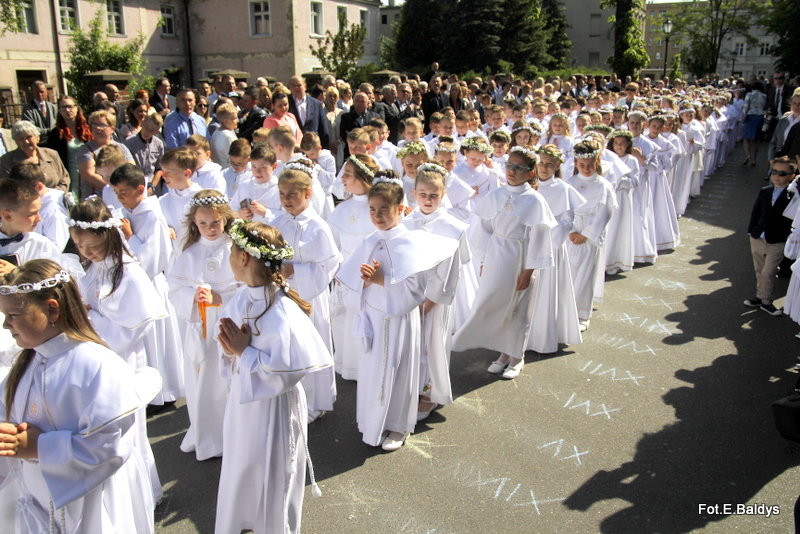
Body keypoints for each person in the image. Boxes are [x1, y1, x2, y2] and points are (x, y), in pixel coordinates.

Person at [0, 258, 160, 533]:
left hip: (91, 505)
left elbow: (109, 447)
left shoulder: (95, 364)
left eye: (13, 315)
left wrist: (40, 446)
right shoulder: (25, 364)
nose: (5, 325)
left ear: (52, 310)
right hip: (38, 499)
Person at [214, 220, 332, 533]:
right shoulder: (242, 297)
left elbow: (288, 372)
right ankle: (248, 522)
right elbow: (231, 352)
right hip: (244, 402)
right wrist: (229, 350)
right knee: (244, 464)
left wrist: (244, 352)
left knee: (273, 471)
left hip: (274, 410)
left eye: (231, 252)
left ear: (243, 258)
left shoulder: (282, 312)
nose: (229, 259)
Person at [336, 172, 458, 450]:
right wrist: (362, 281)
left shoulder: (409, 242)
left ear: (401, 209)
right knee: (372, 372)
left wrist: (379, 280)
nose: (378, 216)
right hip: (373, 318)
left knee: (398, 371)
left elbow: (416, 288)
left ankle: (398, 426)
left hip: (398, 320)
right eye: (373, 210)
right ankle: (372, 423)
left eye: (384, 210)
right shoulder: (370, 240)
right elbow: (353, 281)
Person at [68, 197, 165, 502]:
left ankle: (143, 494)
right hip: (98, 357)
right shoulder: (95, 267)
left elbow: (136, 325)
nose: (86, 253)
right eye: (80, 247)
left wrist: (90, 318)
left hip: (122, 360)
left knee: (129, 432)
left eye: (92, 248)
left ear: (108, 236)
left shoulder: (129, 273)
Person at [452, 145, 556, 378]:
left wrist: (528, 271)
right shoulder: (496, 194)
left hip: (520, 258)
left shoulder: (534, 200)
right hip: (497, 256)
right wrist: (485, 259)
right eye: (510, 165)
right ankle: (502, 352)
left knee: (518, 307)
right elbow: (484, 229)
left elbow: (539, 238)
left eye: (519, 168)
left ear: (530, 173)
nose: (512, 171)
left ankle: (516, 356)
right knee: (494, 303)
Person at [167, 190, 238, 460]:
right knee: (203, 380)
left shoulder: (235, 248)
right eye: (203, 224)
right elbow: (174, 288)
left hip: (229, 324)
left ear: (225, 220)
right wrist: (193, 299)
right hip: (201, 328)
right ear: (194, 224)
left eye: (215, 223)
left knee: (227, 380)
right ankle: (207, 433)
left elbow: (246, 287)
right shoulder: (189, 253)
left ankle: (231, 433)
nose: (210, 229)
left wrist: (220, 297)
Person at [271, 162, 342, 422]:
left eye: (292, 194)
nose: (286, 200)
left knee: (311, 345)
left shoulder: (318, 227)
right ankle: (291, 395)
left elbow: (330, 263)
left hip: (309, 296)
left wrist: (296, 271)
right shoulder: (276, 222)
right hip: (284, 295)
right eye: (282, 194)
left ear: (307, 194)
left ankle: (315, 400)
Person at [111, 164, 184, 410]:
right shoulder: (127, 210)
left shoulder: (151, 214)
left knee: (155, 340)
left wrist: (131, 235)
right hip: (132, 286)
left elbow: (153, 259)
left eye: (122, 192)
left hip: (150, 284)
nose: (119, 198)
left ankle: (163, 391)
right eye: (116, 192)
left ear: (140, 189)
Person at [404, 162, 473, 415]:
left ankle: (429, 392)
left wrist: (431, 299)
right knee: (412, 343)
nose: (428, 200)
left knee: (431, 344)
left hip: (435, 297)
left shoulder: (452, 226)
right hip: (410, 295)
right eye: (423, 194)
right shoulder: (407, 221)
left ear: (443, 195)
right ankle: (410, 386)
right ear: (414, 193)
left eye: (434, 195)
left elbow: (454, 266)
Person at [526, 144, 583, 354]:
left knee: (546, 288)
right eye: (541, 163)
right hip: (529, 243)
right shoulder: (529, 185)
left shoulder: (563, 188)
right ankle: (523, 335)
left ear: (558, 165)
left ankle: (542, 337)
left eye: (550, 164)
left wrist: (552, 236)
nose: (544, 167)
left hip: (551, 245)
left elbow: (569, 219)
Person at [327, 155, 378, 380]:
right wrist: (339, 270)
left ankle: (372, 366)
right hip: (347, 275)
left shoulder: (378, 207)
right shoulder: (341, 210)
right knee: (345, 321)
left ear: (362, 177)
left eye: (347, 174)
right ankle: (350, 365)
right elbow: (334, 244)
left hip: (372, 275)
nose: (342, 179)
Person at [564, 140, 617, 331]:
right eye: (582, 165)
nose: (586, 169)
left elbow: (605, 212)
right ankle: (565, 311)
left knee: (585, 275)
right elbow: (563, 209)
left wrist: (586, 234)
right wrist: (570, 231)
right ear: (576, 163)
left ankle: (582, 315)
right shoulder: (569, 183)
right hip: (571, 233)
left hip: (588, 236)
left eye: (590, 165)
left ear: (597, 162)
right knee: (568, 274)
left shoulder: (603, 185)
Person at [744, 156, 794, 315]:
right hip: (758, 236)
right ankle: (760, 297)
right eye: (774, 172)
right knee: (759, 269)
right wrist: (751, 231)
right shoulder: (765, 191)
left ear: (792, 176)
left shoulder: (793, 196)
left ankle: (766, 301)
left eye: (782, 173)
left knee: (769, 271)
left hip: (778, 240)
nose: (777, 176)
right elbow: (756, 212)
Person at [6, 163, 70, 252]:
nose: (19, 196)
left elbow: (56, 248)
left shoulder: (54, 209)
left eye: (25, 193)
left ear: (39, 186)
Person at [76, 110, 135, 198]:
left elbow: (131, 169)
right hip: (97, 201)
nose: (97, 128)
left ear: (112, 128)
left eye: (102, 125)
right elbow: (89, 175)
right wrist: (114, 190)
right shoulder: (85, 150)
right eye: (94, 124)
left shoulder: (122, 147)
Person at [0, 120, 70, 192]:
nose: (26, 141)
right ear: (16, 141)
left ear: (37, 138)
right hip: (24, 202)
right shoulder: (7, 160)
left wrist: (51, 195)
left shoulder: (52, 154)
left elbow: (64, 179)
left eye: (29, 137)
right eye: (21, 139)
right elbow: (6, 189)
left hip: (54, 200)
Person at [44, 96, 93, 198]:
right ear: (59, 111)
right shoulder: (56, 134)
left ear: (77, 108)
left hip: (88, 173)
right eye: (63, 107)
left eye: (70, 106)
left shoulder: (88, 129)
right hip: (68, 174)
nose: (67, 110)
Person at [159, 147, 203, 254]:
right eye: (163, 171)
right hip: (174, 260)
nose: (163, 176)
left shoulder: (201, 198)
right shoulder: (162, 201)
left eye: (168, 172)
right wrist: (164, 229)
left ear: (186, 173)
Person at [228, 143, 279, 223]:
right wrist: (239, 214)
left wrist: (265, 212)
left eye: (263, 167)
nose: (257, 171)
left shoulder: (280, 189)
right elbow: (231, 209)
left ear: (274, 166)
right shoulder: (245, 185)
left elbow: (289, 216)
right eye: (254, 166)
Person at [124, 113, 165, 195]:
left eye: (152, 130)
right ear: (142, 123)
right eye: (146, 128)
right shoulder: (129, 142)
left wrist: (152, 186)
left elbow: (159, 168)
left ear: (157, 131)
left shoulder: (158, 144)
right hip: (135, 186)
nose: (147, 132)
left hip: (153, 187)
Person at [288, 75, 330, 149]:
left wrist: (326, 149)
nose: (296, 88)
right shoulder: (286, 104)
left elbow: (323, 129)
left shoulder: (316, 104)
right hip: (294, 148)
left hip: (313, 147)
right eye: (293, 85)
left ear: (305, 86)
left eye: (299, 85)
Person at [339, 92, 380, 159]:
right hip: (351, 153)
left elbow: (377, 133)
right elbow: (343, 134)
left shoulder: (375, 117)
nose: (359, 103)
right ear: (353, 102)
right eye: (357, 101)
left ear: (367, 104)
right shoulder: (346, 117)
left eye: (362, 101)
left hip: (370, 152)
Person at [742, 82, 767, 166]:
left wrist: (743, 116)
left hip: (750, 115)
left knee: (746, 138)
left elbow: (746, 106)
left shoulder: (749, 94)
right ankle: (754, 159)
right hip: (760, 117)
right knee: (756, 139)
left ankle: (748, 155)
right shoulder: (764, 96)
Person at [211, 102, 239, 168]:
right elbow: (236, 159)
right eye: (234, 118)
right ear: (226, 121)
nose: (237, 121)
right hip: (229, 172)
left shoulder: (216, 132)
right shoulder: (228, 137)